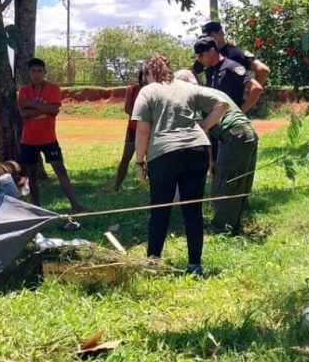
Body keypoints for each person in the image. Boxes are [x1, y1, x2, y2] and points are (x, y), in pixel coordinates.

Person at [132, 54, 229, 276]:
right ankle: (194, 265)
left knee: (160, 209)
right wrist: (203, 126)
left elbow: (143, 130)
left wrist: (139, 163)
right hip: (197, 151)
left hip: (165, 154)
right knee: (192, 210)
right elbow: (222, 103)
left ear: (148, 72)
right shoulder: (187, 87)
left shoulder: (148, 91)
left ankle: (153, 263)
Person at [174, 70, 259, 235]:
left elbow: (200, 132)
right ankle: (234, 224)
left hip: (234, 136)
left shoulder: (192, 97)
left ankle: (222, 229)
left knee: (224, 184)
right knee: (240, 181)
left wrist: (209, 162)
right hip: (249, 133)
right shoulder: (212, 92)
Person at [18, 58, 88, 222]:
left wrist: (32, 105)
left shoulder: (53, 88)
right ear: (29, 73)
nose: (36, 74)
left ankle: (75, 204)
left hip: (49, 139)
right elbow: (23, 114)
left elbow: (54, 110)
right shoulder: (24, 91)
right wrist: (43, 108)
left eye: (39, 71)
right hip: (28, 140)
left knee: (60, 170)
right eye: (33, 71)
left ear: (45, 72)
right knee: (32, 174)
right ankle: (36, 207)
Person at [194, 36, 263, 115]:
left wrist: (240, 113)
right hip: (215, 119)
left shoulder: (231, 67)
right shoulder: (209, 70)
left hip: (231, 121)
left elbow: (256, 88)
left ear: (212, 51)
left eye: (201, 56)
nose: (199, 59)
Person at [103, 67, 145, 192]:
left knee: (152, 159)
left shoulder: (155, 90)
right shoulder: (132, 90)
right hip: (133, 129)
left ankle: (153, 186)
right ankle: (116, 186)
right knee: (126, 157)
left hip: (150, 129)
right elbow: (127, 109)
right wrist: (144, 119)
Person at [193, 21, 270, 85]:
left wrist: (250, 95)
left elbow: (263, 70)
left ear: (220, 33)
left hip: (234, 102)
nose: (206, 39)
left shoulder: (235, 52)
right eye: (204, 37)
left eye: (210, 35)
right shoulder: (205, 55)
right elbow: (192, 72)